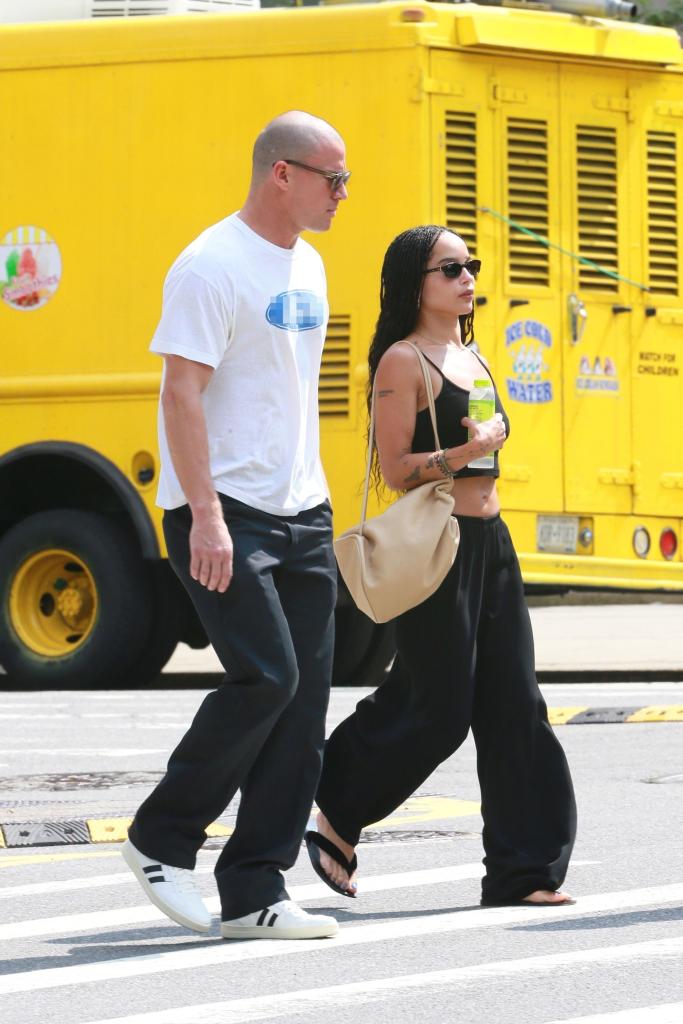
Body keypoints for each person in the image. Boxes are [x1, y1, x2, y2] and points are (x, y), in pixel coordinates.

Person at [122, 111, 350, 940]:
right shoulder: (210, 264)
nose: (341, 194)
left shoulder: (312, 264)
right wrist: (207, 519)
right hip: (223, 513)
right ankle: (159, 838)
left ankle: (255, 888)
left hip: (301, 512)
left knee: (303, 703)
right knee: (266, 677)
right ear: (279, 174)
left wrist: (317, 498)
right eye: (332, 179)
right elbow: (181, 393)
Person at [305, 224, 577, 907]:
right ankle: (334, 803)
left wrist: (484, 449)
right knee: (436, 710)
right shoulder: (403, 362)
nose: (466, 277)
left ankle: (524, 873)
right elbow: (395, 471)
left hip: (492, 543)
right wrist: (462, 454)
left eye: (470, 265)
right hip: (440, 547)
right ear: (413, 285)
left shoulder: (473, 355)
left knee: (516, 705)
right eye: (449, 268)